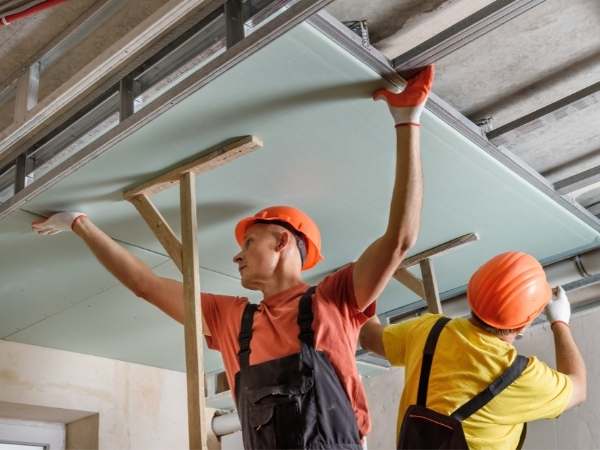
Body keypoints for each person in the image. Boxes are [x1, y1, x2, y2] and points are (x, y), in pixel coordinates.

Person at [32, 66, 435, 450]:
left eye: (249, 243)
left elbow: (400, 239)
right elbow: (146, 285)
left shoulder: (335, 298)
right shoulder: (232, 321)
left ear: (280, 241)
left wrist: (407, 121)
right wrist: (80, 225)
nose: (236, 256)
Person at [359, 251, 587, 450]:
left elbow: (369, 337)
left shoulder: (430, 331)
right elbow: (578, 388)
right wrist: (560, 323)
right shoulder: (520, 376)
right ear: (523, 324)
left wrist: (361, 280)